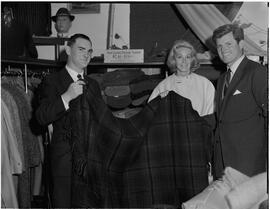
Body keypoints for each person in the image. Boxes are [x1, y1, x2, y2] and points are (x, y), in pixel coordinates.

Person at [36, 33, 102, 208]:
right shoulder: (52, 81)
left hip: (91, 160)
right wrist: (66, 97)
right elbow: (41, 117)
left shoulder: (93, 84)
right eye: (81, 50)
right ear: (68, 50)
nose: (86, 55)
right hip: (64, 161)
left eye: (89, 51)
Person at [212, 24, 267, 178]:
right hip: (223, 166)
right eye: (219, 46)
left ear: (241, 44)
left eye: (228, 44)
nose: (224, 49)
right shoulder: (222, 79)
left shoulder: (257, 72)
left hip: (249, 166)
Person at [148, 39, 215, 118]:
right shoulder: (163, 86)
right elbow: (150, 113)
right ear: (173, 60)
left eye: (188, 57)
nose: (184, 61)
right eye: (179, 57)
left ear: (192, 59)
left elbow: (211, 114)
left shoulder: (205, 84)